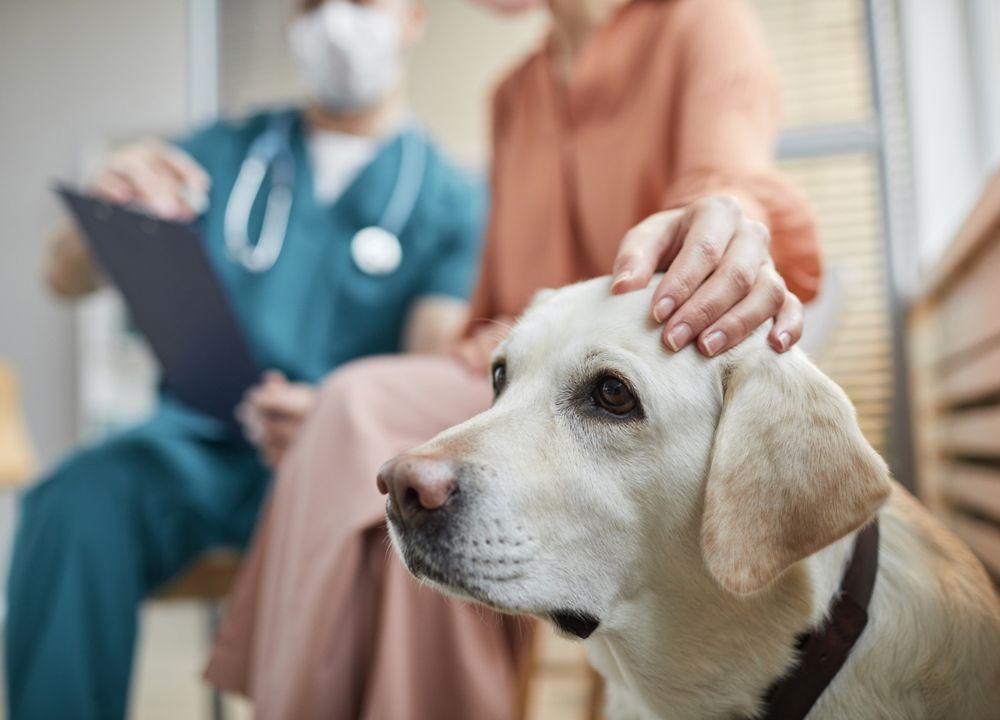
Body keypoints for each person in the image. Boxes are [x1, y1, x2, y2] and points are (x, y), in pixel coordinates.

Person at [203, 0, 821, 718]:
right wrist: (377, 406)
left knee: (356, 409)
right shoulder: (513, 95)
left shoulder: (698, 21)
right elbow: (497, 317)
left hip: (637, 391)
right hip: (515, 380)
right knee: (372, 454)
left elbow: (728, 179)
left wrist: (725, 220)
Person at [4, 1, 485, 718]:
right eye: (312, 3)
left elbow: (426, 361)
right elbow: (61, 276)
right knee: (73, 502)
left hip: (340, 467)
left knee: (388, 553)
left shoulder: (453, 199)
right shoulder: (224, 154)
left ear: (413, 16)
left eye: (360, 3)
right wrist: (108, 201)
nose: (335, 22)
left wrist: (331, 419)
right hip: (194, 452)